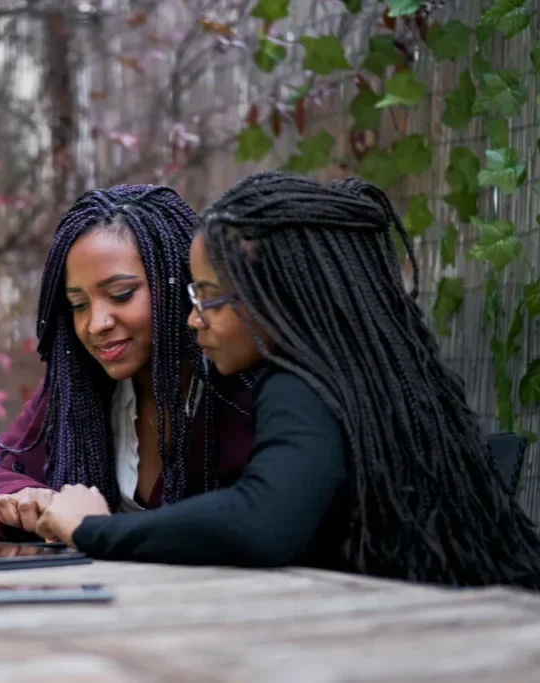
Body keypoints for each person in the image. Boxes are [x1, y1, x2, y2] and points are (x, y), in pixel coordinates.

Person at [35, 172, 540, 589]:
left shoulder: (299, 385)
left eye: (209, 297)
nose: (193, 319)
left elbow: (262, 520)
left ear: (276, 296)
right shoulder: (371, 370)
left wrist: (92, 529)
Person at [0, 184, 254, 541]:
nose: (96, 323)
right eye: (78, 304)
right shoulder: (82, 387)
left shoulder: (241, 387)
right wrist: (24, 497)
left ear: (179, 285)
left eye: (121, 295)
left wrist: (96, 529)